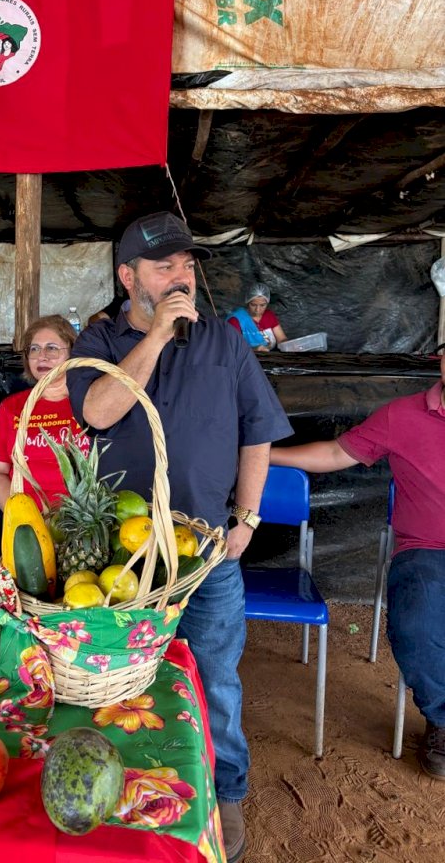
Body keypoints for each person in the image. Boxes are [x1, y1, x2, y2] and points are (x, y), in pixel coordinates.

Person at [67, 211, 292, 863]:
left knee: (214, 679)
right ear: (127, 276)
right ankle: (127, 789)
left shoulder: (225, 340)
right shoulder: (99, 338)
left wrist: (247, 518)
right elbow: (98, 410)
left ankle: (226, 795)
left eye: (187, 266)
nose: (181, 277)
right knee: (120, 680)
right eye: (165, 267)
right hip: (121, 558)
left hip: (206, 556)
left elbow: (259, 430)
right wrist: (159, 334)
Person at [270, 342, 445, 781]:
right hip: (427, 550)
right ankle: (443, 720)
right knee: (418, 624)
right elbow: (335, 454)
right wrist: (259, 454)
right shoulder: (402, 415)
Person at [0, 315, 89, 511]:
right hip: (27, 520)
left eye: (52, 348)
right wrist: (23, 516)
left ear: (73, 354)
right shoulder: (12, 407)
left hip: (82, 520)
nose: (42, 356)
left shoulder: (90, 401)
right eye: (34, 349)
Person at [227, 283, 287, 352]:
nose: (257, 310)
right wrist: (254, 350)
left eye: (262, 305)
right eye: (253, 305)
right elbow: (232, 348)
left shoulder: (269, 316)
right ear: (247, 302)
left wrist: (288, 345)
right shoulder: (236, 320)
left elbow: (282, 339)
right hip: (246, 360)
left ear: (267, 303)